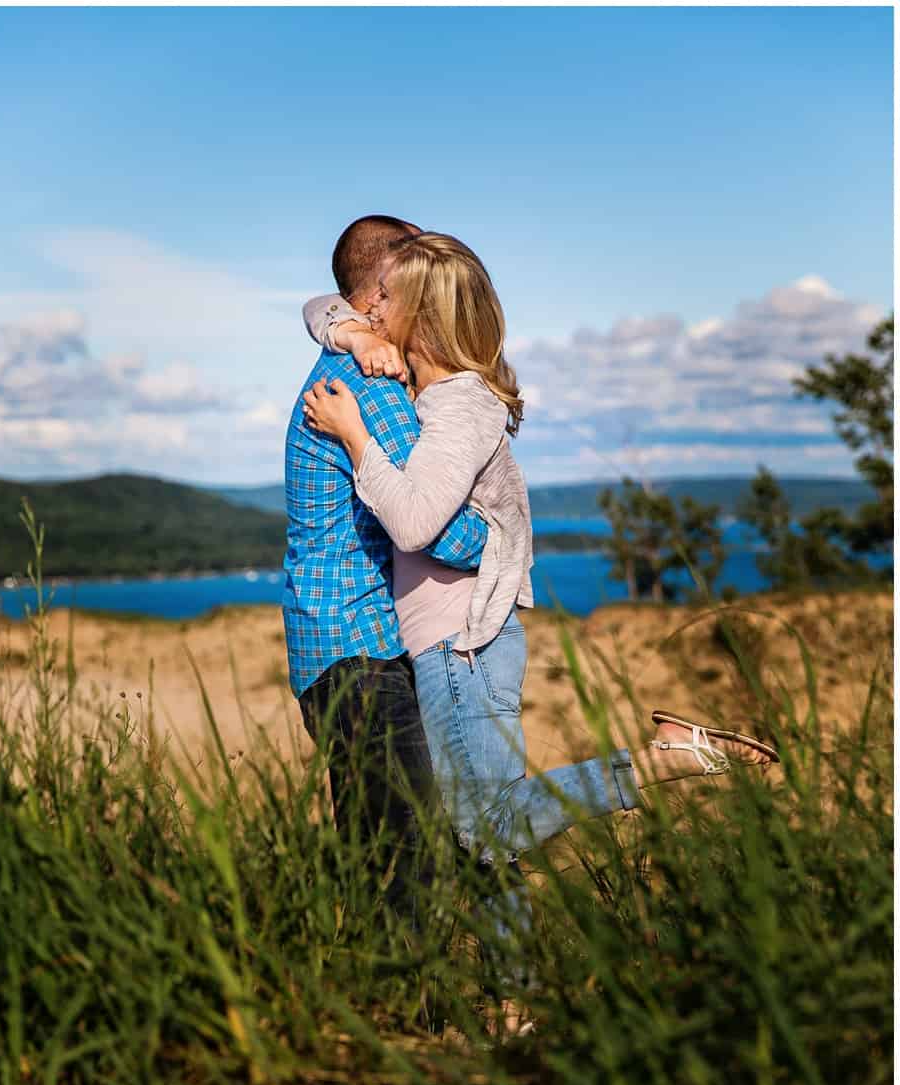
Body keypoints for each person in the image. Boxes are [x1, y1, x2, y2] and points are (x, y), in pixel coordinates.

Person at [301, 232, 779, 1010]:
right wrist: (350, 328)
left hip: (457, 644)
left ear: (421, 317)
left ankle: (666, 761)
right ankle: (517, 1004)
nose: (370, 308)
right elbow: (323, 304)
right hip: (456, 642)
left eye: (386, 302)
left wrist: (355, 437)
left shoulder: (459, 404)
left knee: (485, 827)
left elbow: (418, 523)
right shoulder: (439, 386)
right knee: (483, 838)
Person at [282, 216, 492, 940]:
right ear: (382, 293)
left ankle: (378, 1015)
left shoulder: (347, 356)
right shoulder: (371, 386)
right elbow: (440, 530)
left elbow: (322, 307)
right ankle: (414, 1031)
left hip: (336, 647)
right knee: (412, 863)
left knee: (378, 857)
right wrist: (507, 531)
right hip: (361, 652)